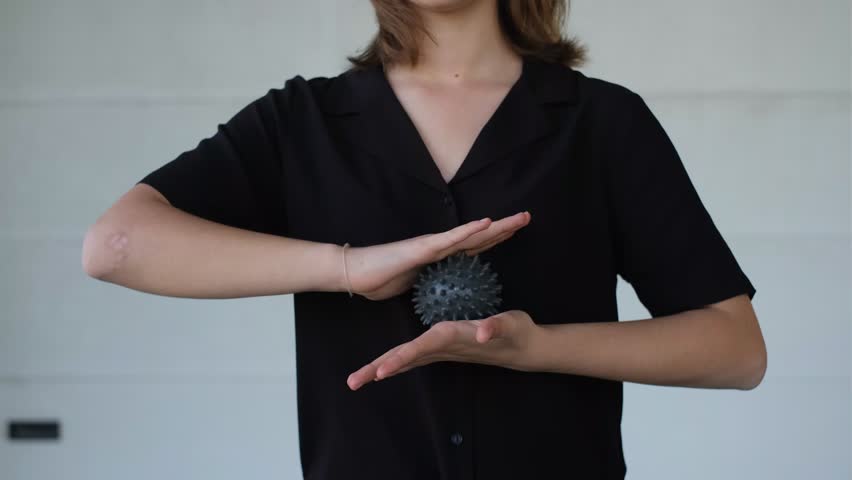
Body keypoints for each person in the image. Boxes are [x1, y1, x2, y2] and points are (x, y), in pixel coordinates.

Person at [81, 1, 766, 478]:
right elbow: (115, 245)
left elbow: (735, 349)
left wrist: (539, 349)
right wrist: (348, 267)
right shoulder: (303, 122)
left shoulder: (602, 123)